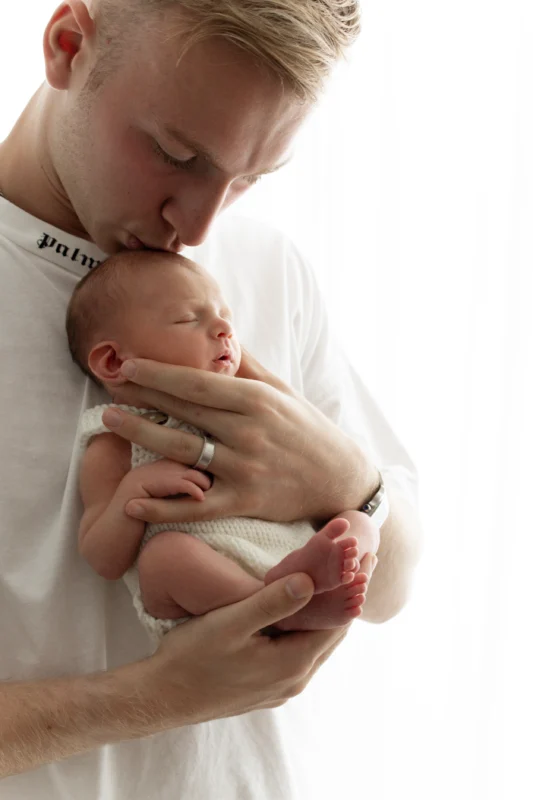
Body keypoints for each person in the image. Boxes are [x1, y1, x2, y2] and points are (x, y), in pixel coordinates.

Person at [0, 0, 422, 796]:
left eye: (251, 177)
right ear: (66, 46)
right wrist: (149, 699)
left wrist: (345, 482)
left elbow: (393, 590)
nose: (197, 229)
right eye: (176, 154)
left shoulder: (267, 265)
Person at [69, 250, 380, 641]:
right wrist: (131, 493)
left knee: (363, 521)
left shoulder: (255, 411)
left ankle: (303, 582)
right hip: (205, 583)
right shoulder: (116, 439)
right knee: (163, 559)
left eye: (226, 318)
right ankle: (277, 607)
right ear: (114, 361)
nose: (224, 330)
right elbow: (103, 560)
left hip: (287, 550)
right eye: (188, 318)